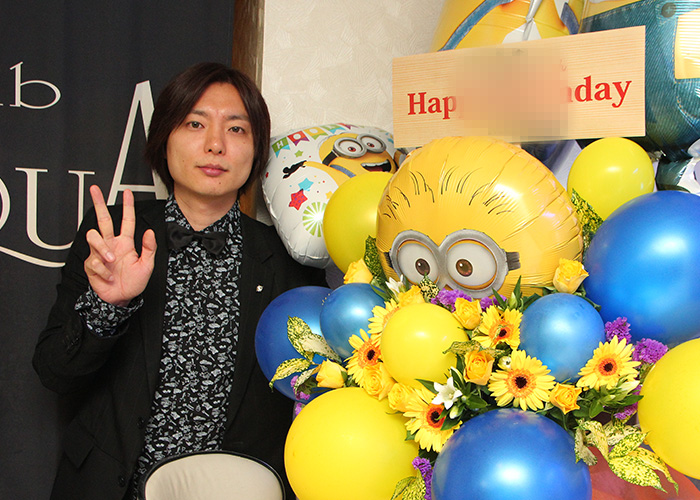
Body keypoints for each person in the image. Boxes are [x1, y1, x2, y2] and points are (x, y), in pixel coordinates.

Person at [33, 62, 326, 500]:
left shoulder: (291, 260)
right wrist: (107, 306)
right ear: (163, 138)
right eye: (195, 123)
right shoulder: (114, 236)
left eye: (236, 129)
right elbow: (54, 371)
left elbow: (317, 396)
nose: (215, 144)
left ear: (256, 150)